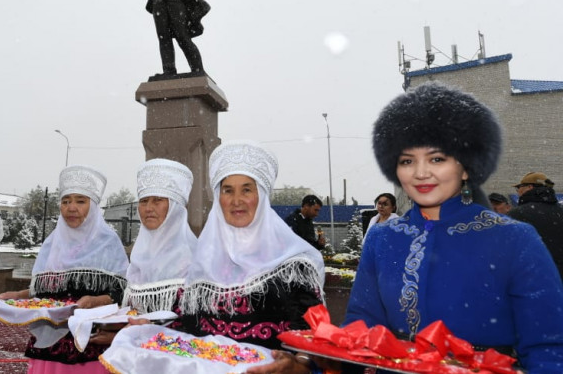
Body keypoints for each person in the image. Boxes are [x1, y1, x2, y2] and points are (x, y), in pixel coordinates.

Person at [344, 82, 563, 372]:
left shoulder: (514, 239)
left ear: (466, 166)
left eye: (437, 158)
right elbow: (360, 324)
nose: (421, 172)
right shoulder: (383, 238)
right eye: (407, 160)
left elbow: (548, 345)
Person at [181, 141, 325, 374]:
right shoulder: (204, 260)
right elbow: (189, 330)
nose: (236, 200)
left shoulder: (295, 265)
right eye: (228, 190)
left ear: (262, 196)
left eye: (246, 189)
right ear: (219, 198)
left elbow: (313, 337)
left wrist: (299, 364)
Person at [0, 165, 129, 373]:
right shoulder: (53, 244)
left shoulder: (108, 244)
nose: (71, 207)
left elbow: (123, 293)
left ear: (93, 206)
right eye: (66, 201)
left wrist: (96, 302)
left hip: (92, 345)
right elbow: (45, 292)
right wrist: (18, 296)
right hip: (51, 348)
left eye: (80, 201)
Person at [123, 158, 196, 314]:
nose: (148, 208)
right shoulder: (138, 257)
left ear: (175, 208)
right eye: (144, 201)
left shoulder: (193, 258)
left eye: (158, 200)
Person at [508, 172, 563, 278]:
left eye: (519, 187)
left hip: (533, 277)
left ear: (529, 187)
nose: (518, 191)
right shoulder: (560, 211)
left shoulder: (519, 213)